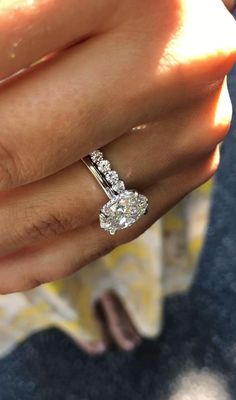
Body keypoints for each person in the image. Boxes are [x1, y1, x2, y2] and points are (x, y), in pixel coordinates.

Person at [0, 0, 235, 355]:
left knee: (87, 233)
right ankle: (73, 308)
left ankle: (114, 289)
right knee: (37, 249)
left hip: (125, 81)